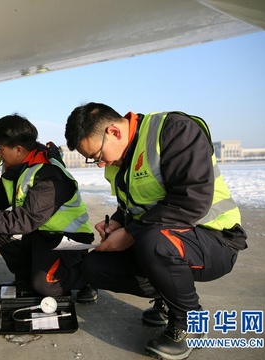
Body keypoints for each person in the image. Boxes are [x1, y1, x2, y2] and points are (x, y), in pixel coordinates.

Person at [64, 103, 247, 359]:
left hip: (215, 240)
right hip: (164, 238)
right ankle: (168, 298)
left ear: (114, 132)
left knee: (153, 241)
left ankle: (190, 323)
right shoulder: (118, 160)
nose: (98, 163)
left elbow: (192, 200)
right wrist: (118, 222)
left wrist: (129, 234)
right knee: (94, 265)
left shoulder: (174, 131)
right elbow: (138, 206)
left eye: (97, 155)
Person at [0, 114, 98, 302]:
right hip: (41, 236)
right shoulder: (18, 171)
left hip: (67, 239)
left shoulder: (49, 175)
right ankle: (26, 277)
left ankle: (86, 277)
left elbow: (25, 220)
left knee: (45, 285)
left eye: (0, 148)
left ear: (18, 149)